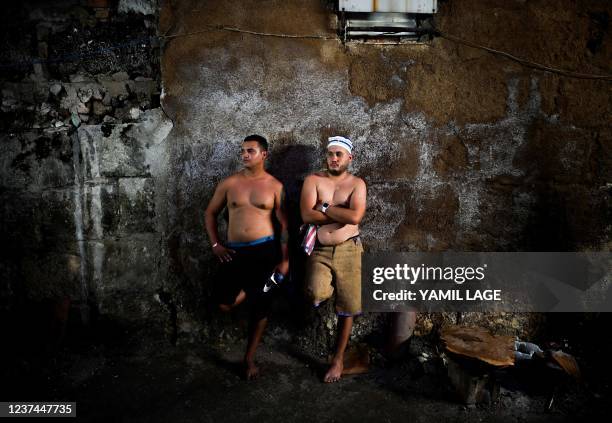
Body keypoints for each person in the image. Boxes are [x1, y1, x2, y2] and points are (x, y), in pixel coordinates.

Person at [205, 134, 289, 380]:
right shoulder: (229, 183)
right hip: (234, 251)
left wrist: (285, 260)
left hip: (265, 251)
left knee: (261, 309)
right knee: (224, 303)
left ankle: (249, 358)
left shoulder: (275, 186)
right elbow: (209, 213)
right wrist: (215, 244)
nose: (244, 155)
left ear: (264, 154)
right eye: (242, 151)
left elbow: (285, 225)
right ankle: (256, 289)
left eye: (250, 151)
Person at [300, 135, 367, 383]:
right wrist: (343, 214)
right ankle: (329, 331)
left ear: (350, 157)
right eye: (331, 154)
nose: (334, 158)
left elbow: (356, 217)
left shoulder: (357, 184)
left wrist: (325, 208)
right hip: (320, 250)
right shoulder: (313, 180)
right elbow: (307, 215)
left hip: (350, 249)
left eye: (339, 154)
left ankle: (338, 358)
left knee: (348, 305)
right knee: (315, 291)